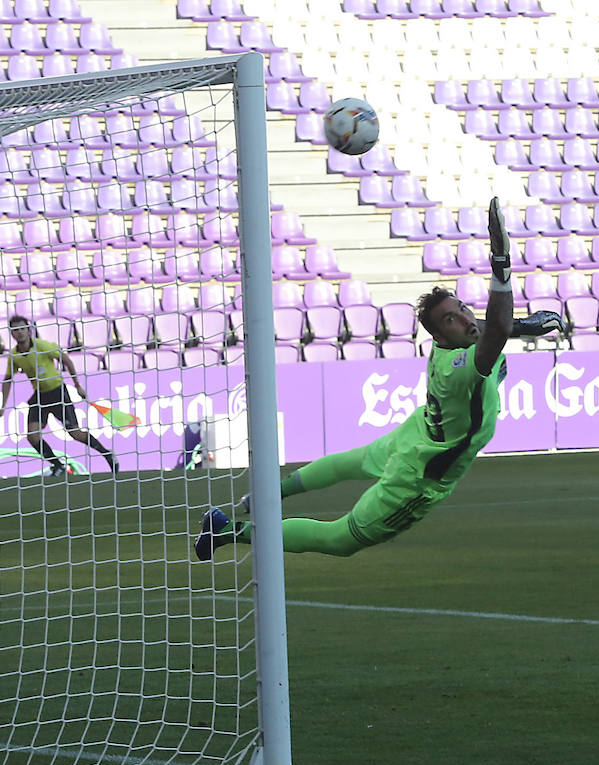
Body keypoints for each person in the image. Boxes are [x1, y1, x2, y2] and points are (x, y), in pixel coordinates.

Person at [194, 197, 561, 559]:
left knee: (350, 462)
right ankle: (226, 531)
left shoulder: (450, 345)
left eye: (463, 309)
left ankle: (272, 493)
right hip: (421, 475)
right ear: (439, 336)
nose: (466, 319)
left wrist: (523, 326)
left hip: (415, 434)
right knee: (341, 539)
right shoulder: (461, 367)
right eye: (452, 319)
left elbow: (485, 327)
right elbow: (494, 329)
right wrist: (500, 263)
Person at [0, 314, 118, 476]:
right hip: (40, 396)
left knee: (75, 433)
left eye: (22, 329)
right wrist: (3, 406)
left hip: (58, 393)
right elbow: (7, 379)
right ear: (11, 334)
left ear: (29, 330)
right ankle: (58, 465)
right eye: (15, 330)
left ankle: (107, 454)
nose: (19, 332)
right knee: (32, 436)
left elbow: (66, 360)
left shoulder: (42, 346)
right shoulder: (14, 355)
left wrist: (77, 385)